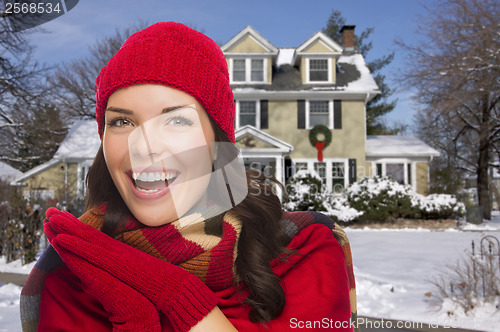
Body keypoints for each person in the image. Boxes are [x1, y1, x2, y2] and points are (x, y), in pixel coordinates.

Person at [20, 22, 357, 331]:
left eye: (176, 120)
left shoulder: (303, 251)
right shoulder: (70, 274)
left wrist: (180, 298)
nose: (145, 147)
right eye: (122, 122)